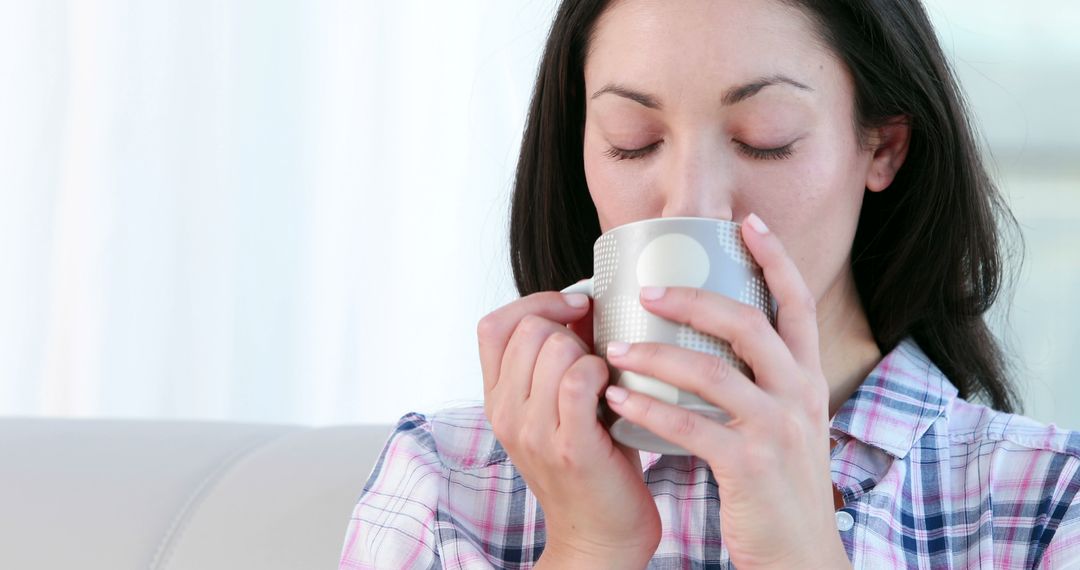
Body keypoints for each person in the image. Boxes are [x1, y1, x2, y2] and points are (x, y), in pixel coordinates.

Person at [339, 0, 1080, 567]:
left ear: (881, 148)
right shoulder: (444, 479)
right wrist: (588, 546)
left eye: (765, 139)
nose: (689, 206)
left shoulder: (1046, 501)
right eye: (634, 144)